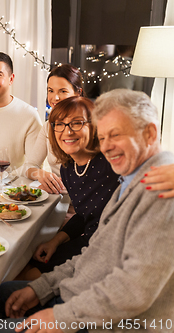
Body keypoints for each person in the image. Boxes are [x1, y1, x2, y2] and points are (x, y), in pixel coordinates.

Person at [0, 89, 174, 333]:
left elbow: (134, 290)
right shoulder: (127, 182)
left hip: (109, 322)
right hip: (81, 294)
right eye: (103, 137)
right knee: (2, 294)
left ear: (149, 133)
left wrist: (61, 317)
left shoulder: (159, 189)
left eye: (115, 135)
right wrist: (42, 288)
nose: (106, 147)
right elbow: (95, 252)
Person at [20, 96, 119, 281]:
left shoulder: (112, 162)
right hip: (89, 239)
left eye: (77, 123)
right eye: (59, 124)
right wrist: (55, 241)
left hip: (110, 250)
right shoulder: (68, 169)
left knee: (26, 278)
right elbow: (84, 215)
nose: (67, 131)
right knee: (26, 263)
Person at [23, 64, 84, 194]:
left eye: (63, 91)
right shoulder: (48, 126)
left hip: (84, 201)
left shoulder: (88, 127)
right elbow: (29, 166)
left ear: (78, 92)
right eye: (51, 91)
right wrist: (40, 174)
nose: (55, 98)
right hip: (58, 199)